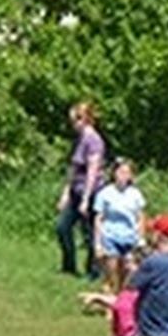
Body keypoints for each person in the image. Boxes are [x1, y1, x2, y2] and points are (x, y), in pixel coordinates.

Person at [54, 101, 106, 277]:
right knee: (62, 227)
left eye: (74, 120)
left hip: (91, 192)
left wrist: (86, 198)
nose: (71, 124)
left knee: (90, 233)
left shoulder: (94, 140)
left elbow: (92, 171)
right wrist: (66, 193)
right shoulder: (80, 138)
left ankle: (93, 270)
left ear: (82, 119)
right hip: (75, 190)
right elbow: (74, 170)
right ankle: (69, 265)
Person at [92, 157, 147, 294]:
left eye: (126, 173)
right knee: (112, 270)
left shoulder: (135, 194)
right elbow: (99, 218)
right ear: (114, 173)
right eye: (120, 172)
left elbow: (141, 217)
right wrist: (98, 243)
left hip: (130, 237)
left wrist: (141, 238)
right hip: (110, 236)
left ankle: (120, 300)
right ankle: (110, 296)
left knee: (127, 271)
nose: (123, 176)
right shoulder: (104, 194)